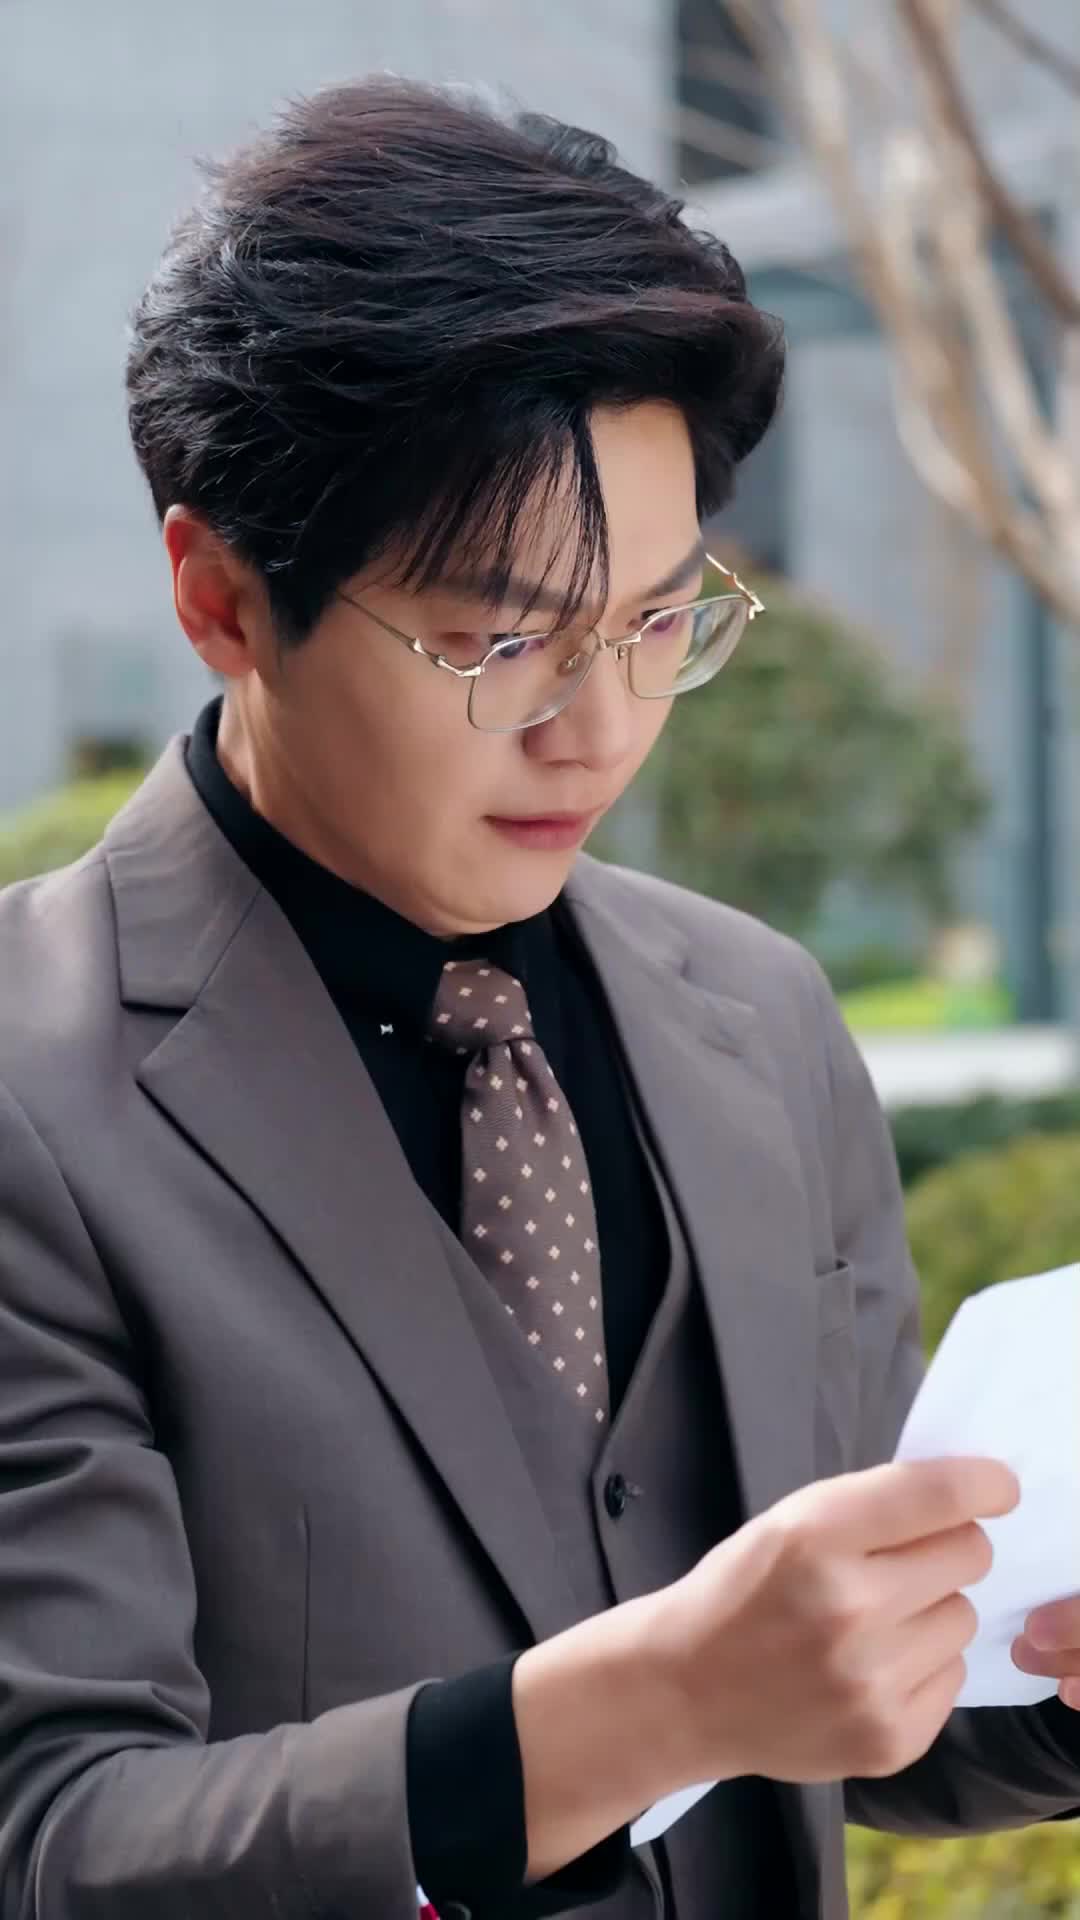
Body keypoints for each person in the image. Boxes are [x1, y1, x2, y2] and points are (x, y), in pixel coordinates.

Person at [2, 75, 1080, 1920]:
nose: (600, 729)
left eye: (658, 622)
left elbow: (865, 1703)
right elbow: (57, 1843)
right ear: (223, 596)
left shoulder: (758, 1014)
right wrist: (658, 1700)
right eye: (498, 640)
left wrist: (1040, 1670)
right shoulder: (36, 1096)